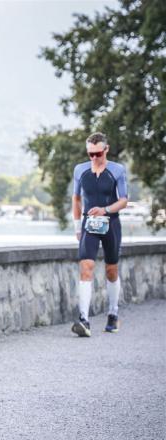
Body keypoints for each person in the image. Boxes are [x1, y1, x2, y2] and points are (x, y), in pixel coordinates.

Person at [71, 132, 128, 337]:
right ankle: (84, 319)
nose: (94, 158)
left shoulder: (117, 170)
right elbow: (76, 198)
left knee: (111, 270)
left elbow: (124, 200)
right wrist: (77, 226)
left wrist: (106, 210)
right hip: (89, 225)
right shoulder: (80, 170)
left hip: (111, 223)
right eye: (90, 154)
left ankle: (113, 314)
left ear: (106, 149)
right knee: (86, 267)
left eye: (98, 153)